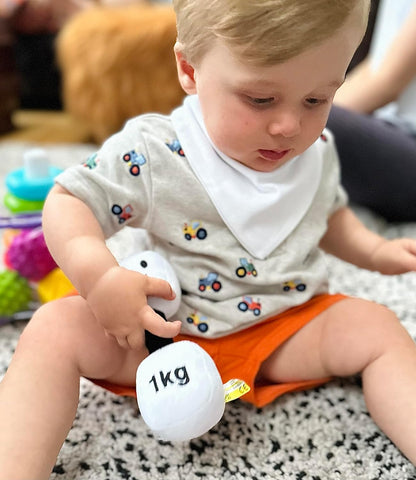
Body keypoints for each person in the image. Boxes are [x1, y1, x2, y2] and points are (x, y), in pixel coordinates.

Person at [2, 0, 416, 478]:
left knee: (379, 328)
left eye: (317, 99)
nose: (289, 126)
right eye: (260, 100)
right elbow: (69, 200)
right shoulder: (154, 151)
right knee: (55, 327)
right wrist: (99, 278)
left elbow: (329, 214)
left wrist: (377, 251)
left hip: (283, 328)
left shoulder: (315, 150)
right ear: (189, 69)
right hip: (162, 336)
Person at [327, 0, 416, 221]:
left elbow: (385, 84)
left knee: (309, 122)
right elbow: (374, 69)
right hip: (389, 127)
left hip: (408, 139)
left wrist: (304, 107)